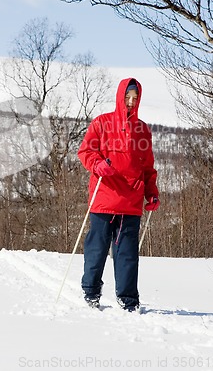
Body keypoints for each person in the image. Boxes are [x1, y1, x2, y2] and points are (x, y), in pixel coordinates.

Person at [77, 77, 159, 311]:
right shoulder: (102, 123)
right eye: (127, 97)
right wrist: (98, 164)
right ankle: (91, 292)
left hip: (131, 201)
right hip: (104, 198)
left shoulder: (142, 130)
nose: (131, 102)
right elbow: (85, 151)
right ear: (120, 97)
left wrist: (151, 193)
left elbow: (147, 167)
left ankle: (128, 299)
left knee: (127, 254)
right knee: (97, 248)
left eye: (135, 98)